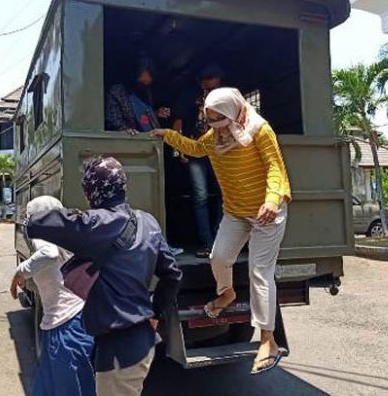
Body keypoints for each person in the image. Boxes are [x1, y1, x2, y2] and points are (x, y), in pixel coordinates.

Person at [151, 87, 291, 374]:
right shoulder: (215, 138)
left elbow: (276, 169)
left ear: (234, 112)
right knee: (219, 257)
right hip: (236, 212)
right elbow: (195, 148)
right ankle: (225, 294)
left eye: (218, 119)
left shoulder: (260, 131)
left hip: (267, 212)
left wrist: (272, 200)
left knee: (259, 272)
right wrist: (167, 135)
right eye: (209, 119)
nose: (214, 126)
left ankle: (268, 340)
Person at [27, 156, 182, 396]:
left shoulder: (97, 222)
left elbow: (43, 224)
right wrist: (156, 313)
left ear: (92, 190)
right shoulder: (147, 221)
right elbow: (172, 274)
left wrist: (29, 219)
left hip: (119, 348)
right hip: (141, 338)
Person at [10, 196, 95, 396]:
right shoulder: (64, 236)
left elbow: (48, 253)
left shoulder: (44, 235)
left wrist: (20, 272)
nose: (27, 221)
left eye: (30, 216)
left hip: (66, 326)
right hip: (63, 323)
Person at [172, 64, 225, 257]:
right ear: (201, 82)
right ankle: (207, 243)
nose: (213, 89)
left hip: (218, 150)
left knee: (224, 193)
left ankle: (221, 241)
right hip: (195, 150)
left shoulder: (222, 96)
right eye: (210, 86)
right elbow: (177, 122)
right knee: (200, 195)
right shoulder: (188, 94)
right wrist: (179, 149)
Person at [105, 55, 171, 134]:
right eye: (141, 82)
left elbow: (142, 117)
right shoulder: (117, 92)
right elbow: (113, 119)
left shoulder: (146, 92)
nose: (144, 85)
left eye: (147, 83)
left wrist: (154, 114)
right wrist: (125, 130)